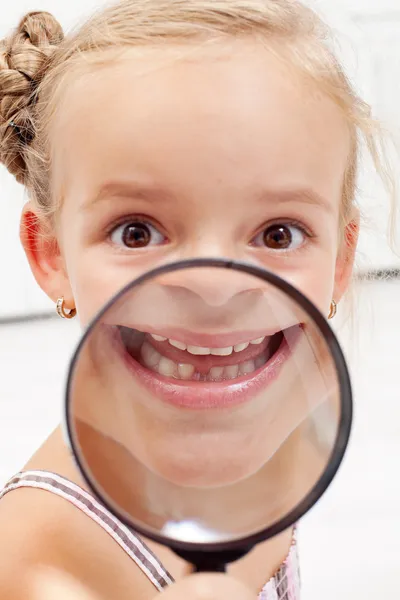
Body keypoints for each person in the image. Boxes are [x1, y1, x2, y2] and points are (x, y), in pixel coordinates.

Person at [0, 1, 395, 599]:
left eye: (277, 234)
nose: (216, 286)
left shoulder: (280, 422)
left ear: (340, 263)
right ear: (51, 254)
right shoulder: (35, 567)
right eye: (137, 231)